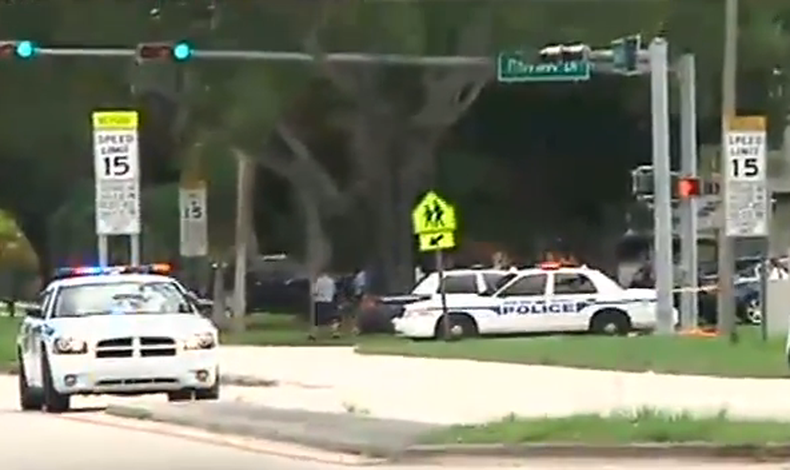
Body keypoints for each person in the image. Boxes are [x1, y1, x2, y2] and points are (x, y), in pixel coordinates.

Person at [311, 270, 338, 338]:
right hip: (329, 301)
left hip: (320, 301)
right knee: (331, 318)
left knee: (317, 320)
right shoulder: (331, 281)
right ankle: (334, 333)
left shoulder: (318, 281)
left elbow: (315, 291)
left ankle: (314, 334)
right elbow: (334, 291)